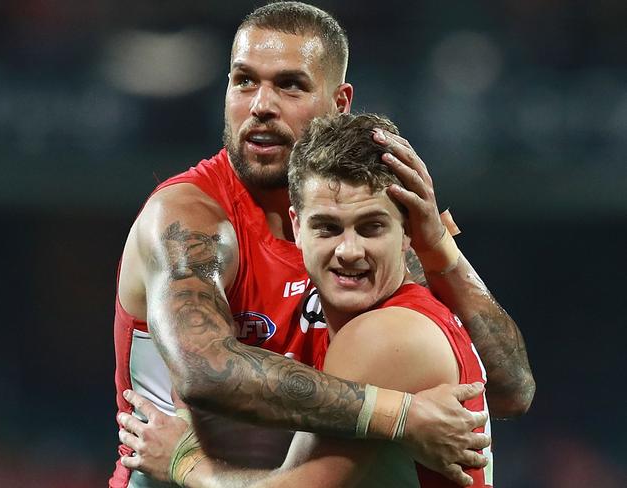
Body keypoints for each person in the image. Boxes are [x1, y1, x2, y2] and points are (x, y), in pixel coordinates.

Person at [111, 2, 534, 487]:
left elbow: (507, 391)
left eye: (290, 85)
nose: (260, 105)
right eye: (244, 80)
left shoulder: (357, 229)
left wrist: (439, 247)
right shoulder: (189, 219)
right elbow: (205, 372)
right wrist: (402, 414)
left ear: (339, 103)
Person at [119, 113, 496, 488]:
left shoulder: (381, 336)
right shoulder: (406, 316)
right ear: (297, 227)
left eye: (371, 228)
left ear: (408, 232)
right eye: (327, 228)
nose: (349, 250)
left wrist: (185, 465)